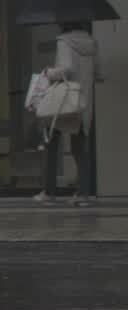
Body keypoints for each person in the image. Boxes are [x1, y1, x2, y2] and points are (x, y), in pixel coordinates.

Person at [39, 20, 100, 205]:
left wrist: (49, 73)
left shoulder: (64, 41)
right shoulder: (92, 42)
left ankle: (49, 192)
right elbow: (99, 72)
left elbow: (66, 69)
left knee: (50, 141)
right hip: (83, 102)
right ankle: (83, 194)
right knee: (80, 148)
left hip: (62, 102)